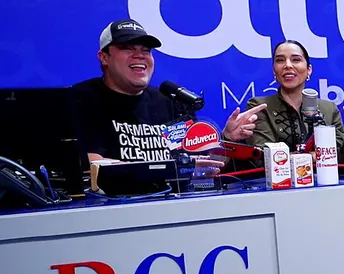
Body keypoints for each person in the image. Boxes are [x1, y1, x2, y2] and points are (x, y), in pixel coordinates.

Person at [69, 19, 265, 165]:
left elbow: (204, 163)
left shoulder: (171, 100)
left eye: (146, 50)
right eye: (127, 48)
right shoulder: (82, 99)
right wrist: (168, 169)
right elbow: (92, 163)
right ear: (104, 57)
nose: (139, 55)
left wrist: (227, 139)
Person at [243, 40, 344, 164]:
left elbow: (340, 160)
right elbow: (264, 157)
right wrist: (313, 157)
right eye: (280, 60)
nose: (287, 65)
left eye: (296, 60)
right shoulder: (259, 106)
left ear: (309, 69)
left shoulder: (329, 109)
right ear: (274, 70)